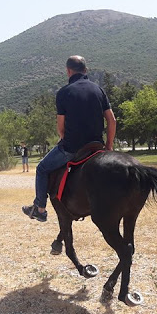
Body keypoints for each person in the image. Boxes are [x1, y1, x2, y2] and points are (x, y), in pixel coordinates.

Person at [22, 55, 116, 222]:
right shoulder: (98, 90)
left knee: (42, 168)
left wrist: (66, 140)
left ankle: (40, 208)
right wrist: (108, 146)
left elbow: (61, 128)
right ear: (86, 70)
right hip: (96, 146)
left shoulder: (64, 93)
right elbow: (112, 120)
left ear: (68, 71)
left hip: (73, 148)